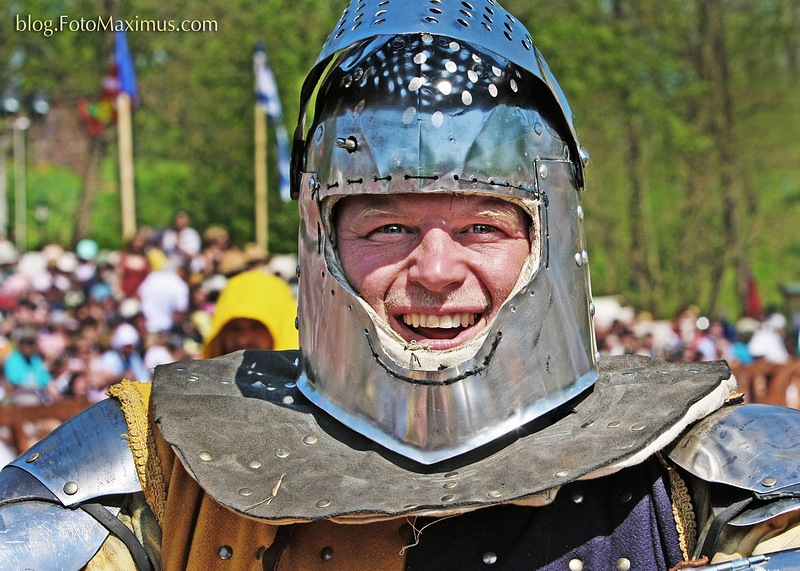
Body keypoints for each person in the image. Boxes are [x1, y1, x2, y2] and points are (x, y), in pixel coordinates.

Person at [3, 2, 800, 570]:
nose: (437, 269)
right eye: (386, 227)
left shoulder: (708, 478)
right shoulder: (156, 470)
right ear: (321, 242)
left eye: (484, 225)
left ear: (551, 238)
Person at [201, 268, 298, 359]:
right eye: (234, 328)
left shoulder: (305, 375)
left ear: (281, 326)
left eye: (256, 327)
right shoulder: (199, 375)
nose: (243, 340)